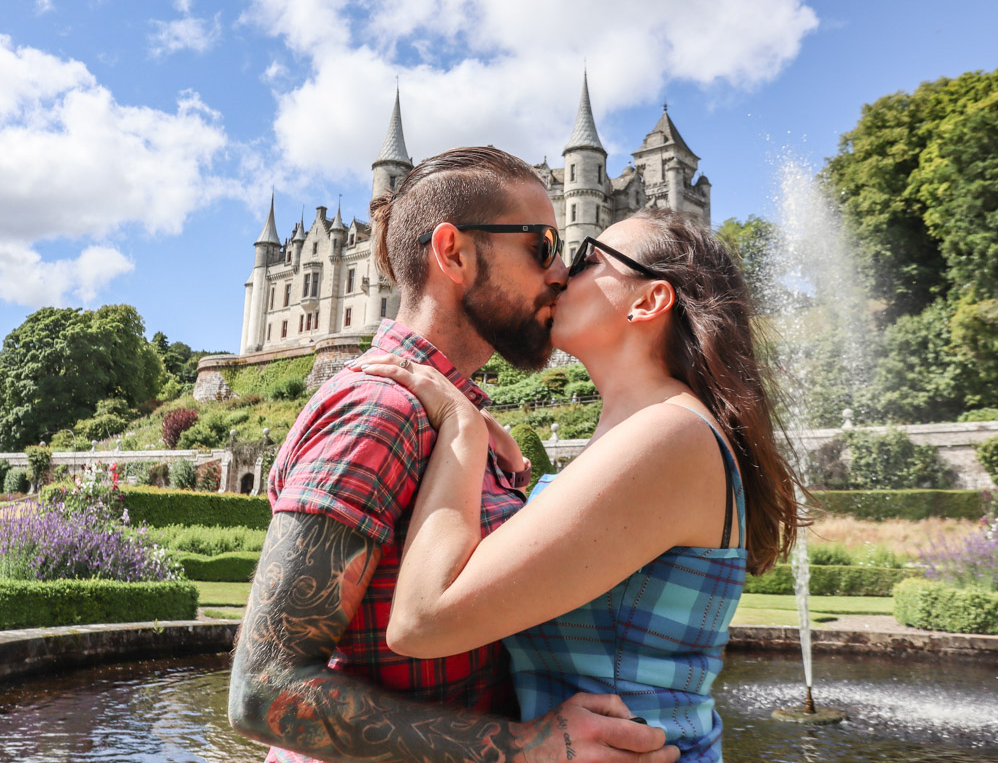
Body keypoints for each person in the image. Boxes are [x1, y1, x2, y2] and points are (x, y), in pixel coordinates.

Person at [228, 148, 677, 763]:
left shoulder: (453, 418)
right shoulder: (380, 411)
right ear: (454, 254)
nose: (561, 274)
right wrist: (521, 748)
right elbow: (263, 692)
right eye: (542, 246)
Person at [355, 209, 804, 763]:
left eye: (590, 257)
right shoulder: (651, 431)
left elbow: (422, 621)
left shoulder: (669, 435)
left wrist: (461, 433)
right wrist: (517, 485)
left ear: (649, 301)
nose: (562, 272)